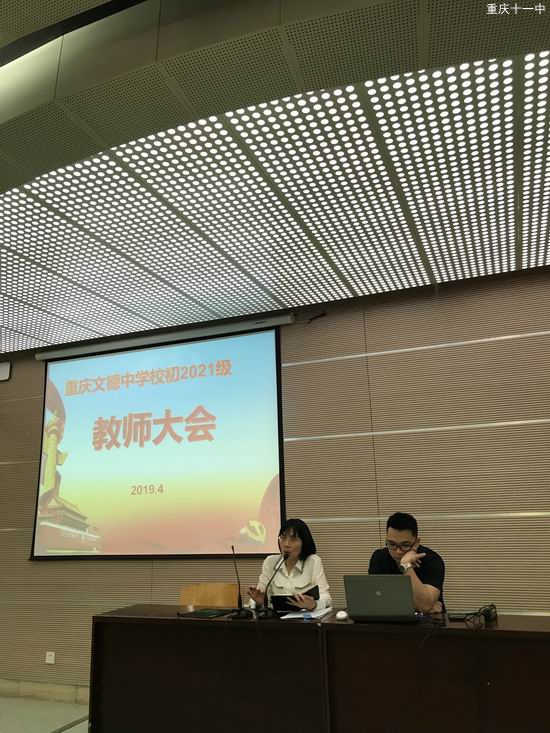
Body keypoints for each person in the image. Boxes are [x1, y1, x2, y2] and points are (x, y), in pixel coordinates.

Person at [248, 518, 332, 611]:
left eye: (293, 539)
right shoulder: (270, 562)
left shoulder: (313, 562)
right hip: (277, 618)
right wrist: (258, 602)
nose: (286, 544)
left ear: (304, 542)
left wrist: (314, 604)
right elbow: (257, 597)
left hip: (305, 617)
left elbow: (326, 597)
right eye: (283, 538)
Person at [368, 512, 445, 613]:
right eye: (391, 544)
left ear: (416, 542)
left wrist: (406, 565)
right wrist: (418, 606)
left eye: (405, 545)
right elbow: (376, 599)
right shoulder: (379, 557)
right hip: (390, 618)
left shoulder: (432, 560)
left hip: (430, 621)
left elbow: (424, 605)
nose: (397, 551)